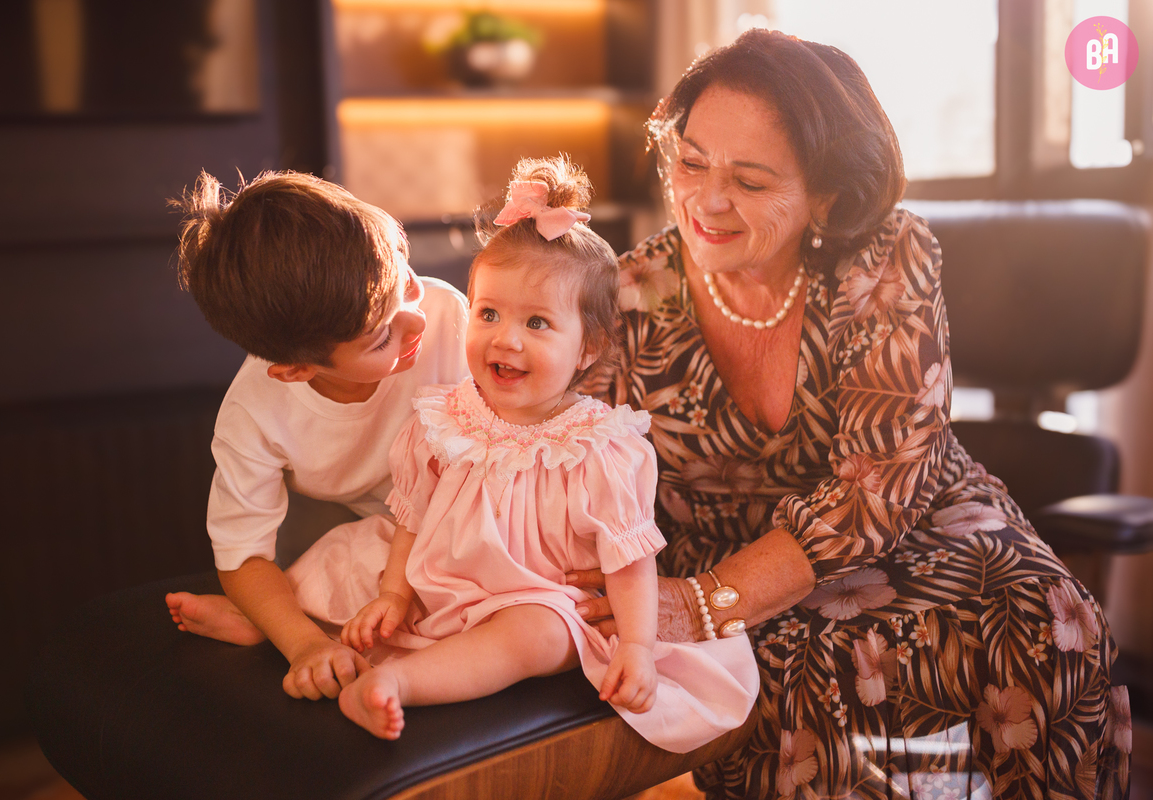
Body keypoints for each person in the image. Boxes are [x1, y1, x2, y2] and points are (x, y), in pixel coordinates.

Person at [569, 29, 1131, 799]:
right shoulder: (627, 294)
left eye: (752, 180)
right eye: (690, 161)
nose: (707, 199)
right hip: (730, 553)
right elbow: (574, 464)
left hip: (911, 527)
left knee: (1045, 619)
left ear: (826, 195)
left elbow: (879, 487)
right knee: (791, 668)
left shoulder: (886, 255)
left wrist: (703, 601)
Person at [337, 156, 759, 752]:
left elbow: (630, 563)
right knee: (350, 559)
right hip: (443, 585)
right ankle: (266, 622)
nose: (505, 338)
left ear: (588, 348)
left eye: (537, 322)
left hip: (540, 597)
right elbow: (411, 517)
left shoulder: (601, 447)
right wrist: (395, 594)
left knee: (533, 636)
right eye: (488, 314)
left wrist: (637, 647)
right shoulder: (446, 420)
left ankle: (397, 682)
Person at [163, 170, 468, 702]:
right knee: (349, 560)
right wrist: (303, 646)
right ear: (296, 371)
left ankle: (267, 616)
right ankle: (288, 620)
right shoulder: (255, 412)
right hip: (358, 519)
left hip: (451, 502)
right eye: (380, 338)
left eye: (409, 282)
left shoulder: (447, 312)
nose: (417, 322)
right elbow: (242, 553)